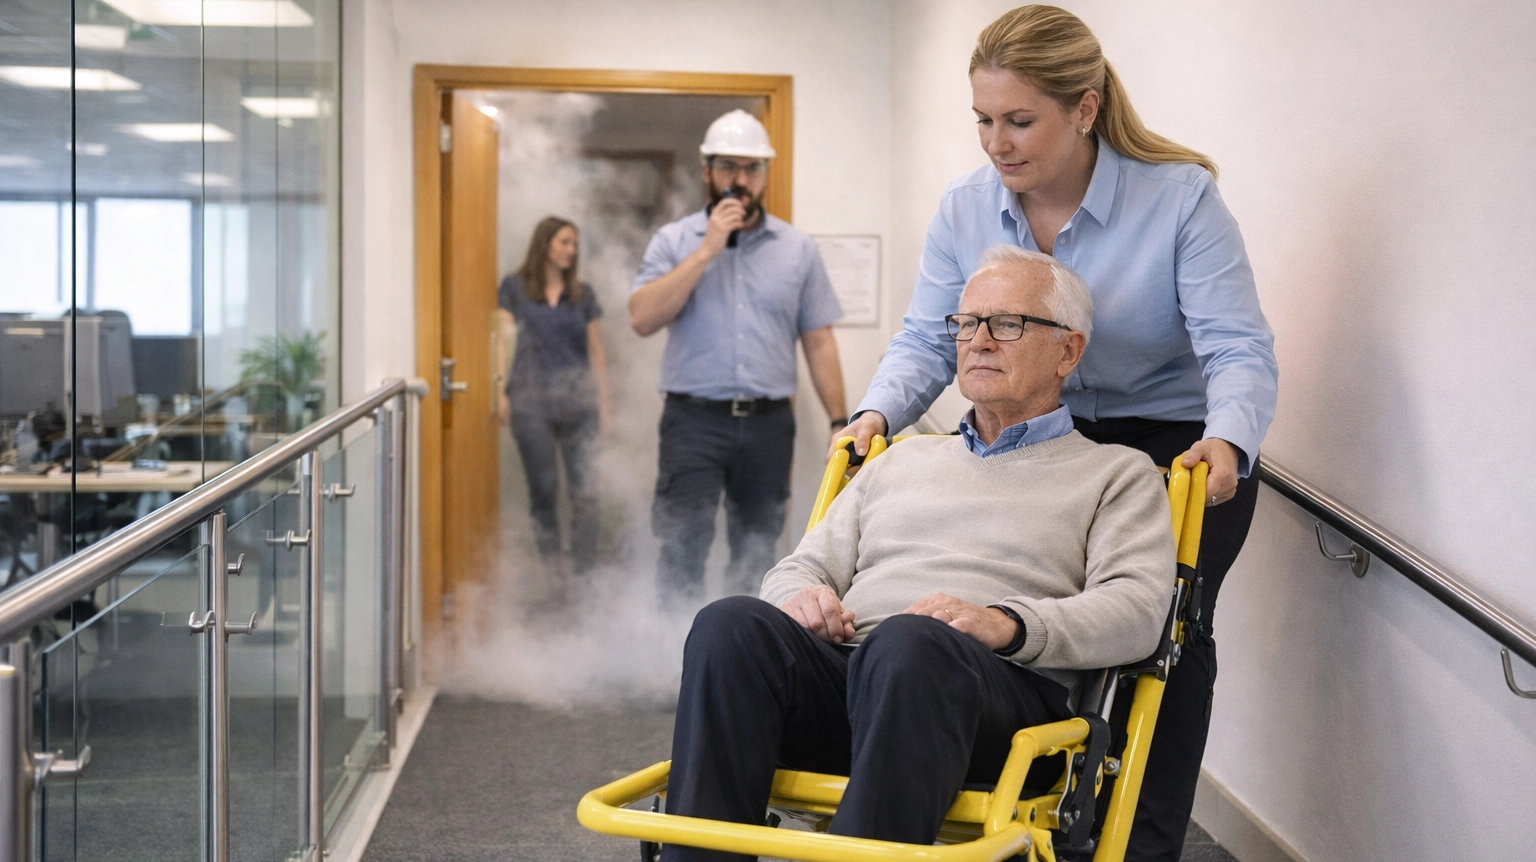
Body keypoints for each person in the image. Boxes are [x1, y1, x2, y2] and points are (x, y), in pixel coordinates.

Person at [837, 7, 1279, 860]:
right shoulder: (967, 206)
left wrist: (1228, 438)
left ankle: (1139, 844)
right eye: (982, 120)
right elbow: (931, 334)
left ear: (1084, 108)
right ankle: (1001, 796)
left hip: (1169, 440)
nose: (995, 143)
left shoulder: (1177, 194)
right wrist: (876, 413)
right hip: (1035, 431)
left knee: (1164, 637)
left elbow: (1237, 344)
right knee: (1011, 600)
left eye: (1018, 120)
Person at [661, 248, 1175, 859]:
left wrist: (1005, 623)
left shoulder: (1117, 474)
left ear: (1069, 350)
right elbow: (800, 566)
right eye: (966, 324)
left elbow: (1139, 610)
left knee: (911, 643)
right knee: (729, 624)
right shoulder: (898, 458)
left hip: (995, 703)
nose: (979, 341)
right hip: (854, 679)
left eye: (1007, 323)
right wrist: (802, 599)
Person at [631, 109, 847, 604]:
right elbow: (642, 318)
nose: (741, 181)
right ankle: (675, 658)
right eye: (728, 167)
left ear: (765, 175)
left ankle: (743, 657)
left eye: (752, 169)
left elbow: (819, 340)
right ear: (706, 171)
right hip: (693, 422)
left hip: (768, 425)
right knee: (682, 544)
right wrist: (708, 249)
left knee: (759, 548)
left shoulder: (797, 248)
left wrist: (841, 418)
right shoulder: (674, 241)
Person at [497, 216, 611, 576]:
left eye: (575, 244)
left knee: (586, 492)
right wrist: (498, 389)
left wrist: (605, 406)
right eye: (564, 242)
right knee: (544, 488)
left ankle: (584, 571)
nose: (570, 250)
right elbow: (501, 342)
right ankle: (551, 568)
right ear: (545, 243)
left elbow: (596, 352)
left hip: (579, 406)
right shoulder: (514, 288)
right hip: (531, 403)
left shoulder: (583, 294)